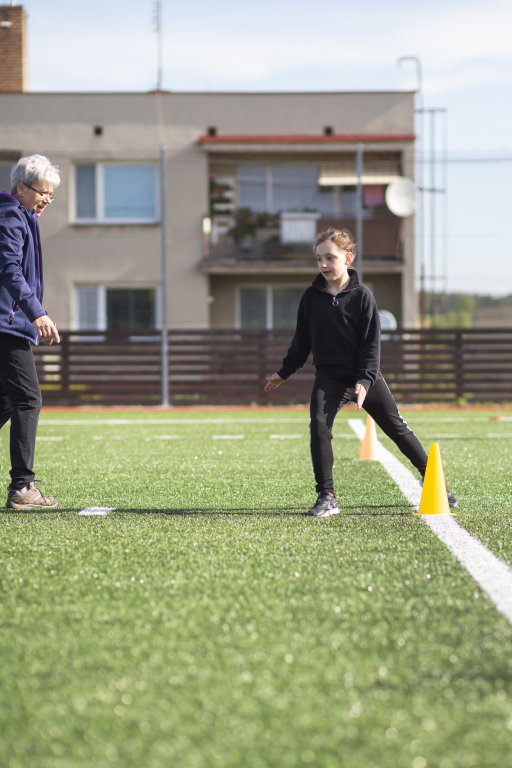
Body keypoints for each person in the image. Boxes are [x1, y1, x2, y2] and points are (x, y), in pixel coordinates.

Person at [265, 228, 457, 517]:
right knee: (319, 426)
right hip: (329, 378)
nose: (323, 264)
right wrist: (284, 371)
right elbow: (301, 341)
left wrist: (365, 380)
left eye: (330, 257)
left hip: (365, 377)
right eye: (319, 259)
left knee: (397, 428)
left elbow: (371, 345)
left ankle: (433, 479)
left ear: (348, 258)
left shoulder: (363, 296)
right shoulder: (311, 297)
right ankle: (327, 496)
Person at [0, 155, 61, 510]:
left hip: (9, 323)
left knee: (8, 400)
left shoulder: (23, 215)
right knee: (27, 398)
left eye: (51, 194)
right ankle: (23, 487)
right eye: (43, 192)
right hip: (6, 324)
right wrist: (36, 312)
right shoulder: (11, 215)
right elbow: (9, 268)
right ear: (21, 188)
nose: (47, 200)